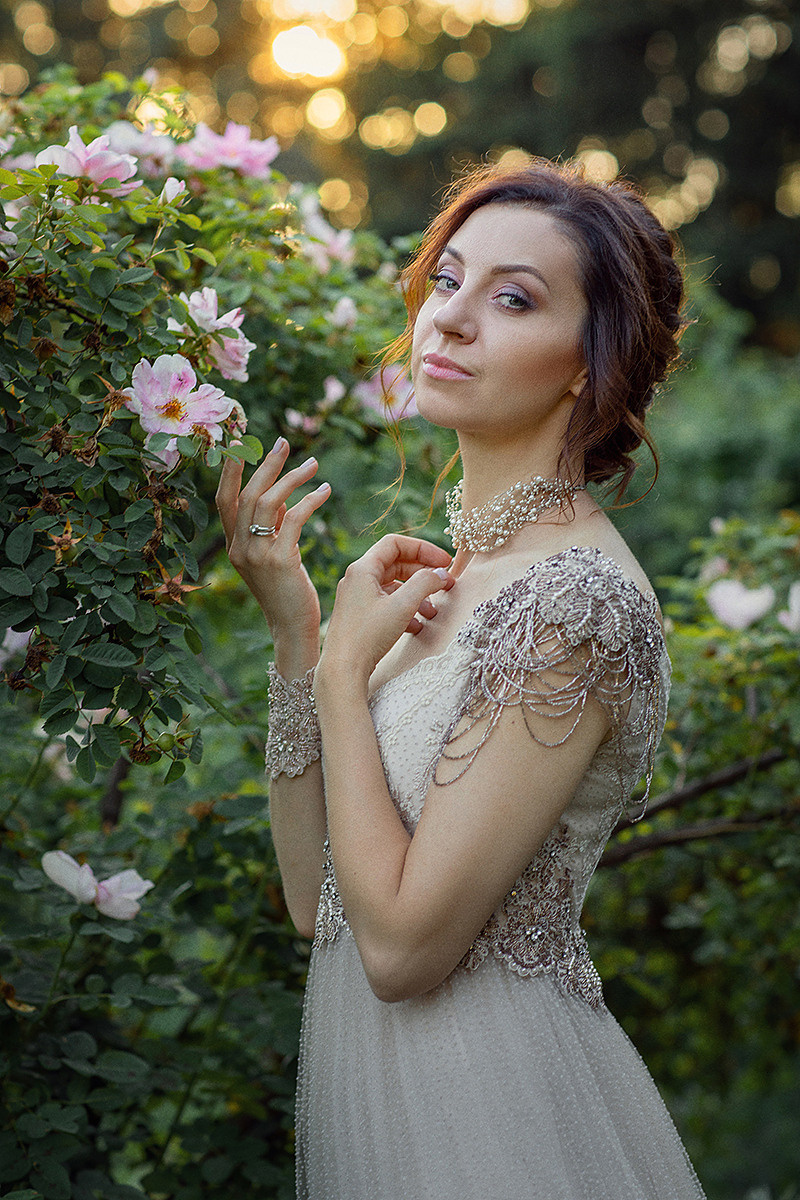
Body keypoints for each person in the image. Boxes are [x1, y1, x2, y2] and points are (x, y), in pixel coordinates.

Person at [216, 157, 707, 1200]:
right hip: (386, 1114)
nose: (449, 319)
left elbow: (400, 956)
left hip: (494, 1123)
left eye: (512, 298)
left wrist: (346, 676)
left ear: (588, 363)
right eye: (447, 280)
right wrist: (302, 635)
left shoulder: (573, 605)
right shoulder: (456, 577)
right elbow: (320, 904)